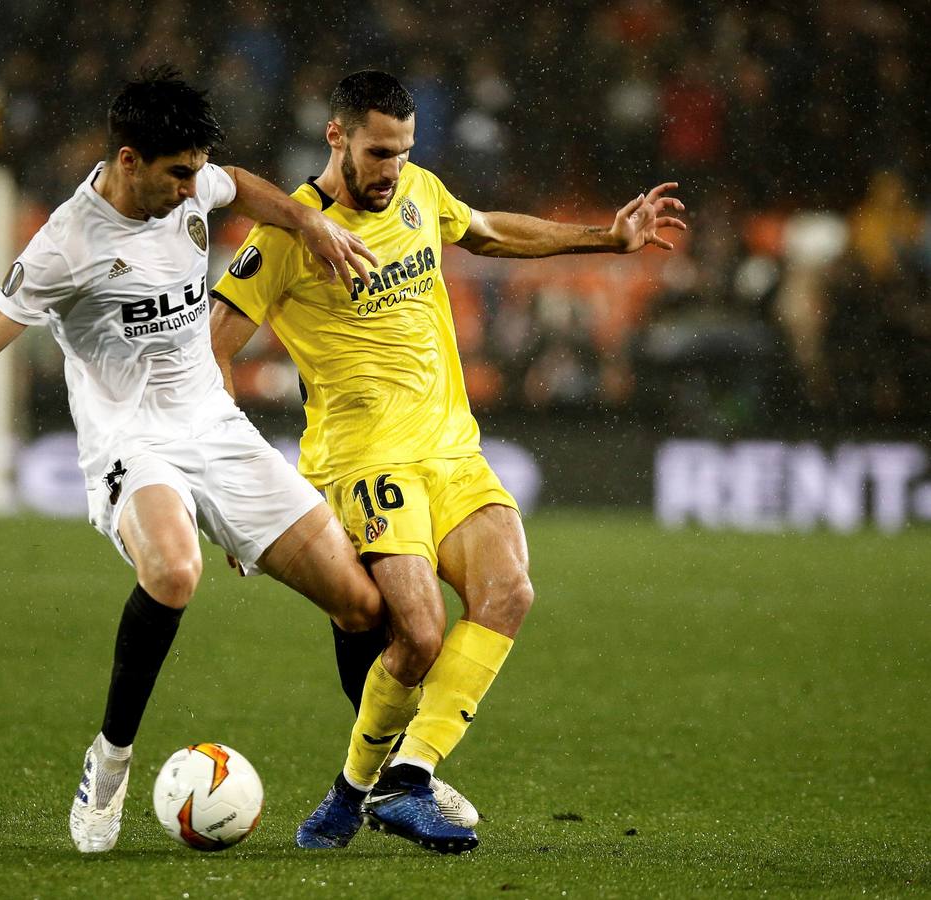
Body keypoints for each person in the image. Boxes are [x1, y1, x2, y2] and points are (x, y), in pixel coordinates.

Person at [0, 68, 472, 854]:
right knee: (175, 572)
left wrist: (307, 224)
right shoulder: (65, 245)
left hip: (215, 426)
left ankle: (387, 775)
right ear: (130, 159)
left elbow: (238, 184)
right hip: (130, 440)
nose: (191, 189)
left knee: (364, 607)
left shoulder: (195, 183)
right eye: (178, 174)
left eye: (195, 172)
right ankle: (108, 765)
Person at [210, 70, 686, 853]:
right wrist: (236, 492)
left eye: (402, 151)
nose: (390, 168)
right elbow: (214, 352)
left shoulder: (420, 191)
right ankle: (363, 790)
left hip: (452, 449)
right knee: (420, 636)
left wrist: (607, 237)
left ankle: (391, 783)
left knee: (508, 593)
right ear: (336, 138)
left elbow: (488, 231)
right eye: (376, 151)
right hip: (365, 462)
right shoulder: (286, 237)